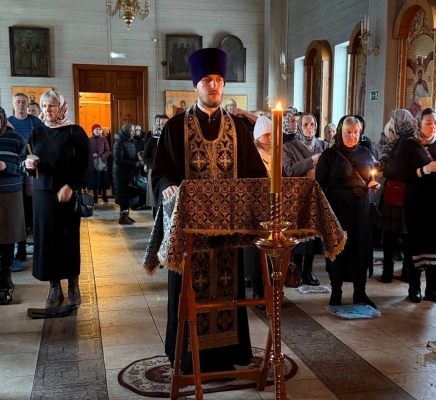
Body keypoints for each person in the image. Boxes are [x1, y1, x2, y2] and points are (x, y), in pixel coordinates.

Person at [151, 48, 267, 374]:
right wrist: (167, 187)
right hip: (190, 232)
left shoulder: (239, 129)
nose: (213, 85)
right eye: (207, 80)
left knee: (228, 290)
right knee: (188, 291)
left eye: (218, 79)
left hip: (227, 234)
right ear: (196, 86)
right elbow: (160, 173)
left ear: (224, 84)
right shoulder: (176, 127)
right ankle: (187, 357)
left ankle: (227, 352)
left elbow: (256, 175)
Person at [24, 91, 90, 308]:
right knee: (47, 241)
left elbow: (85, 164)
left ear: (61, 107)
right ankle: (54, 287)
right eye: (44, 106)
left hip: (67, 194)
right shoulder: (36, 133)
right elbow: (25, 159)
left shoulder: (74, 132)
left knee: (68, 239)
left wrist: (71, 185)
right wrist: (28, 165)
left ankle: (73, 285)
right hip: (43, 194)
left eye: (52, 106)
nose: (47, 110)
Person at [316, 115, 378, 308]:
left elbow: (371, 177)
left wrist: (372, 185)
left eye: (355, 132)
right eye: (348, 132)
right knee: (339, 250)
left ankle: (360, 292)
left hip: (361, 211)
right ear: (340, 132)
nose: (352, 136)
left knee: (360, 250)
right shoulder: (330, 155)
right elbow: (319, 186)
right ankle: (336, 291)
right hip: (338, 211)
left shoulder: (366, 153)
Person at [282, 112, 329, 286]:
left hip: (318, 196)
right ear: (300, 127)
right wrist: (311, 161)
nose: (310, 128)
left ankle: (309, 270)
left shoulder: (324, 145)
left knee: (314, 235)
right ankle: (298, 270)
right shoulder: (289, 147)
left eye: (313, 124)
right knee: (300, 236)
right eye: (306, 125)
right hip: (298, 198)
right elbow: (289, 170)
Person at [396, 108, 436, 303]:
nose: (432, 126)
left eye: (435, 123)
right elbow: (400, 174)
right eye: (428, 123)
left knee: (434, 246)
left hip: (434, 205)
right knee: (416, 245)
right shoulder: (409, 145)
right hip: (416, 204)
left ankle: (432, 289)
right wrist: (423, 170)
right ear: (419, 123)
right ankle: (414, 288)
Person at [377, 109, 415, 284]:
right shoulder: (398, 140)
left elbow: (400, 167)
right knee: (391, 235)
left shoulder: (409, 141)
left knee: (404, 236)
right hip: (394, 191)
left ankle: (405, 270)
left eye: (393, 122)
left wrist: (383, 173)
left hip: (404, 192)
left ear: (401, 122)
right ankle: (390, 269)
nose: (391, 126)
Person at [8, 93, 43, 265]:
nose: (21, 104)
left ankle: (38, 249)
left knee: (33, 214)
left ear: (27, 105)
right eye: (18, 102)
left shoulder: (35, 122)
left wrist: (30, 180)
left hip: (34, 175)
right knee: (17, 215)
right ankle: (19, 249)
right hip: (13, 177)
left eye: (23, 102)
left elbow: (40, 148)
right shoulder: (7, 123)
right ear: (13, 104)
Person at [0, 107, 26, 304]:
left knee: (8, 235)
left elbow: (25, 166)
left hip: (10, 192)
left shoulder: (16, 139)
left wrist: (5, 166)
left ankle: (6, 276)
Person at [112, 123, 142, 224]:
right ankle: (123, 217)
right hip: (121, 175)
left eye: (134, 131)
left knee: (129, 195)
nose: (134, 133)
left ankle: (126, 216)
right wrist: (134, 164)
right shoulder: (119, 143)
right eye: (131, 131)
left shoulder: (133, 141)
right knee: (123, 196)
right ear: (126, 131)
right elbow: (118, 160)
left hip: (130, 173)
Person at [143, 114, 169, 218]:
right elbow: (145, 157)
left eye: (165, 124)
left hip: (168, 173)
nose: (163, 126)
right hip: (154, 171)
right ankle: (156, 220)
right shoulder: (152, 139)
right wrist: (153, 165)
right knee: (155, 199)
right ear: (159, 125)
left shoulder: (173, 139)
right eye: (161, 124)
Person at [88, 123, 110, 203]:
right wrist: (92, 155)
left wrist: (101, 157)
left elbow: (107, 151)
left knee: (103, 179)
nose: (98, 131)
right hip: (93, 163)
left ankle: (104, 196)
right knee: (94, 180)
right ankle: (95, 196)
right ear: (93, 131)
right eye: (96, 129)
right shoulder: (89, 140)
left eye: (99, 129)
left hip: (102, 163)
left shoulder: (104, 140)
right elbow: (87, 150)